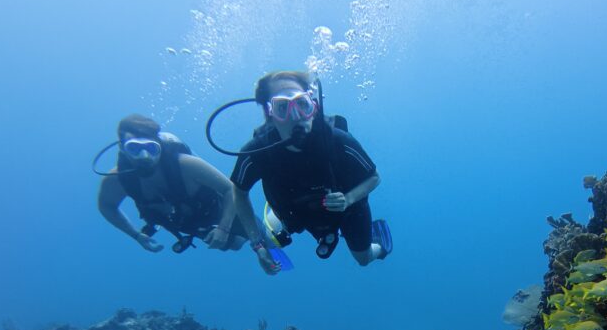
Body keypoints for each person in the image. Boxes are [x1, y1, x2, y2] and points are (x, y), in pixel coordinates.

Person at [230, 70, 392, 275]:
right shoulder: (256, 152)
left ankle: (379, 244)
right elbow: (239, 192)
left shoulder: (338, 141)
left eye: (302, 104)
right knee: (269, 239)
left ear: (313, 107)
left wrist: (348, 199)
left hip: (347, 211)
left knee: (363, 259)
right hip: (296, 213)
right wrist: (257, 246)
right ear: (270, 114)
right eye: (282, 107)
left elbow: (374, 177)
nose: (296, 115)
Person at [97, 114, 247, 253]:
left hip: (220, 209)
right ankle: (269, 258)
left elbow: (230, 189)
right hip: (191, 224)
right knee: (234, 245)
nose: (144, 157)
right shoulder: (116, 181)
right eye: (134, 148)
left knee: (260, 238)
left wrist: (224, 228)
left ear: (159, 146)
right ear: (122, 148)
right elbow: (106, 206)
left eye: (151, 148)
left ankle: (272, 253)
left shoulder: (186, 165)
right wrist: (136, 235)